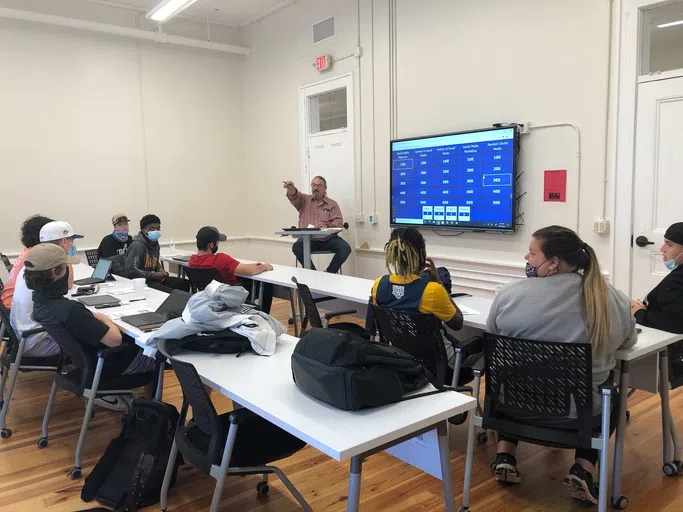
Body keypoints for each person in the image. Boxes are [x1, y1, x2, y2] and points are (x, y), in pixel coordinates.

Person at [486, 225, 637, 505]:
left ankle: (505, 454)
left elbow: (493, 335)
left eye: (532, 253)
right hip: (576, 416)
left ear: (553, 262)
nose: (526, 258)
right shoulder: (613, 300)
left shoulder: (508, 295)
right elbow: (626, 345)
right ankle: (583, 467)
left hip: (514, 408)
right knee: (609, 394)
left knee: (519, 376)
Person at [25, 244, 155, 399]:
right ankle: (150, 408)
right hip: (103, 368)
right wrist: (103, 318)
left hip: (85, 365)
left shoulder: (40, 304)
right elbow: (115, 340)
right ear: (56, 273)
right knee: (155, 351)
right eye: (66, 268)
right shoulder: (70, 310)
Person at [369, 227, 464, 380]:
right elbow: (458, 323)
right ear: (421, 255)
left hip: (402, 361)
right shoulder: (431, 291)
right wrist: (439, 283)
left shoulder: (379, 285)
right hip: (440, 365)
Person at [10, 221, 81, 357]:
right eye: (72, 241)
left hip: (24, 335)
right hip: (36, 340)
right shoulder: (46, 268)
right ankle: (86, 374)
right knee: (91, 335)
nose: (73, 245)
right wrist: (65, 257)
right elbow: (68, 285)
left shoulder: (33, 266)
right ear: (65, 242)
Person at [188, 226, 275, 312]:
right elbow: (249, 271)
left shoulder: (192, 260)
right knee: (266, 285)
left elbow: (243, 267)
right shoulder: (220, 259)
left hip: (209, 295)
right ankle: (264, 317)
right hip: (231, 294)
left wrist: (252, 266)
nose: (218, 244)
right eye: (217, 242)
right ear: (211, 244)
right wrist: (264, 267)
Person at [283, 176, 351, 274]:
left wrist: (326, 225)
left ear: (325, 188)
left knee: (345, 248)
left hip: (329, 240)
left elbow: (339, 224)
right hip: (309, 240)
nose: (315, 188)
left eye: (318, 185)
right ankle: (314, 275)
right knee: (297, 246)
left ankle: (329, 274)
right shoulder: (304, 200)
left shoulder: (332, 204)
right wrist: (290, 187)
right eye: (313, 185)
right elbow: (294, 195)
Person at [630, 222, 683, 334]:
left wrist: (639, 313)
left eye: (669, 244)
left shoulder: (677, 279)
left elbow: (675, 322)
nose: (662, 249)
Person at [124, 214, 190, 293]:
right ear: (143, 230)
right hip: (142, 283)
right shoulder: (137, 245)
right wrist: (154, 275)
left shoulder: (155, 243)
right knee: (171, 293)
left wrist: (160, 269)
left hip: (154, 279)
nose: (155, 230)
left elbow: (154, 260)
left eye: (158, 228)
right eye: (151, 228)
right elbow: (131, 270)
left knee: (184, 284)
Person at [1, 214, 53, 309]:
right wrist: (63, 251)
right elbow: (68, 285)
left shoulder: (27, 251)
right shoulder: (36, 255)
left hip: (9, 304)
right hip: (14, 307)